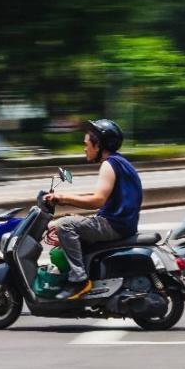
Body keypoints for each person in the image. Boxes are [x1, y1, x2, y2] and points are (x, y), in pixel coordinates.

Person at [43, 119, 143, 300]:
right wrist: (67, 200)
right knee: (72, 221)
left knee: (65, 225)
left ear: (99, 145)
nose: (84, 148)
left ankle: (78, 280)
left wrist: (63, 198)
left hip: (115, 226)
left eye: (86, 144)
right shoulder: (120, 162)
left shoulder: (109, 164)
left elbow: (97, 200)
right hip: (121, 224)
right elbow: (98, 195)